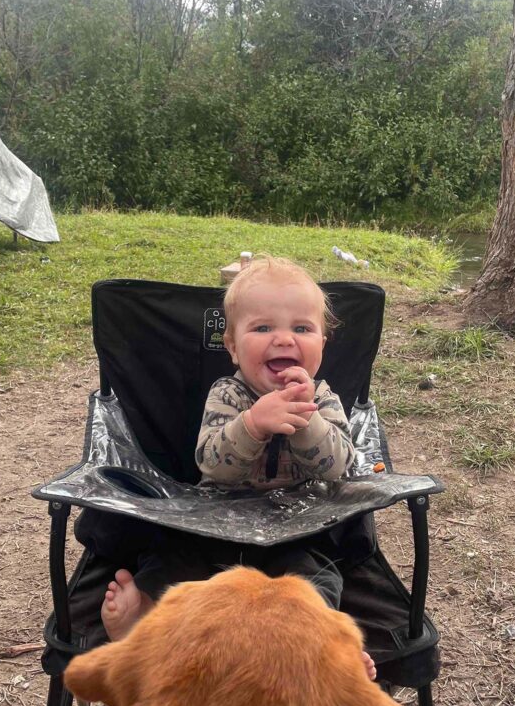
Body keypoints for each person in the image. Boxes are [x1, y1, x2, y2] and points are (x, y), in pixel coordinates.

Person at [101, 256, 375, 678]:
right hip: (215, 525)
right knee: (174, 565)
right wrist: (252, 424)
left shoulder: (323, 399)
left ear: (323, 343)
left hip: (296, 530)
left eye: (302, 328)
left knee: (318, 582)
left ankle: (323, 645)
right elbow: (211, 464)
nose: (283, 339)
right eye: (263, 328)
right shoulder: (226, 394)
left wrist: (308, 422)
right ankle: (145, 621)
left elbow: (339, 467)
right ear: (232, 346)